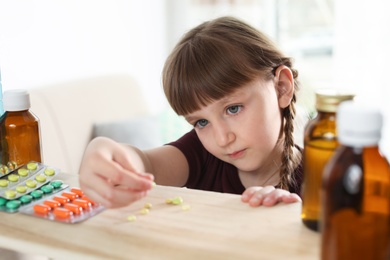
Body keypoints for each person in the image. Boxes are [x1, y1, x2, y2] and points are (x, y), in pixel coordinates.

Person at [78, 16, 303, 209]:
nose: (222, 139)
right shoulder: (200, 154)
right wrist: (108, 153)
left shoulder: (326, 177)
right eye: (202, 122)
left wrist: (289, 222)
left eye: (233, 109)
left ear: (281, 87)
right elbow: (145, 163)